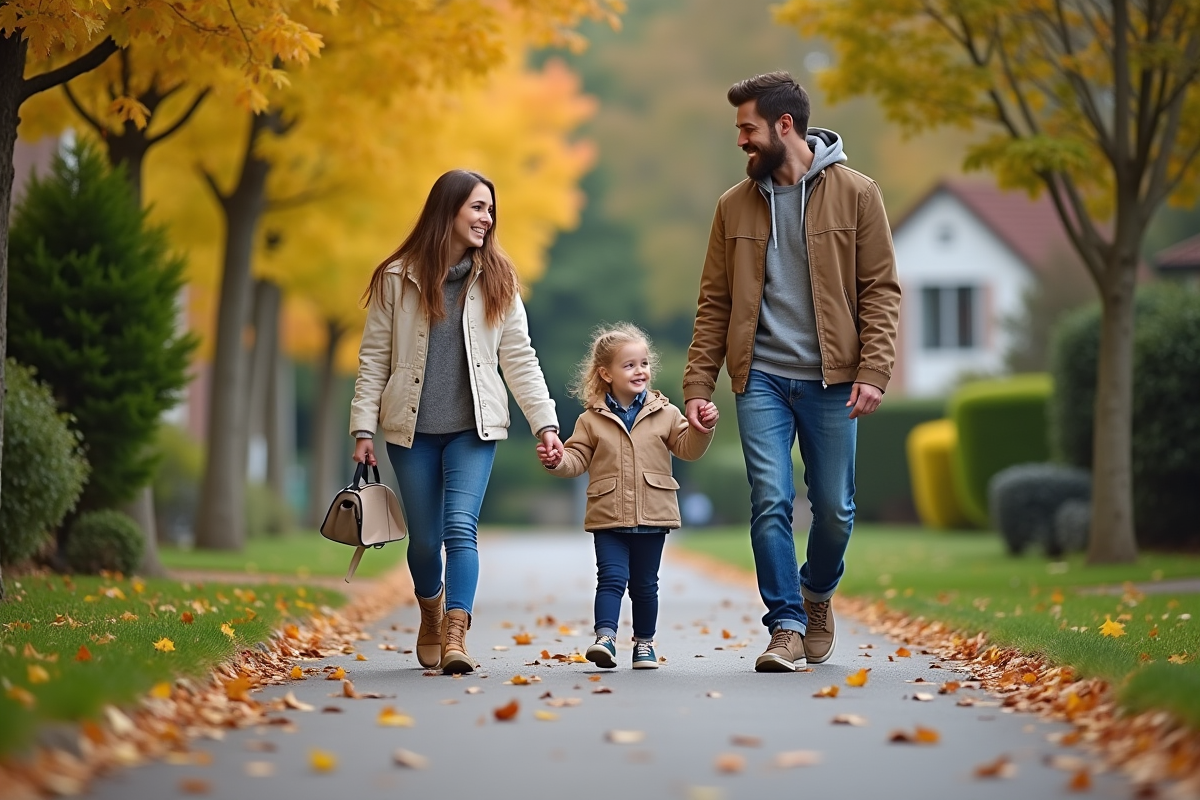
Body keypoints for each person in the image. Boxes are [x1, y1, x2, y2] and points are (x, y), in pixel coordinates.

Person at [683, 72, 901, 673]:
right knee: (771, 500)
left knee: (834, 510)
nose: (741, 142)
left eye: (748, 129)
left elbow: (881, 290)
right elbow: (715, 304)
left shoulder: (858, 194)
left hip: (834, 380)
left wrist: (874, 370)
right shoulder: (733, 206)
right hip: (762, 379)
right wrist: (698, 385)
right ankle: (784, 626)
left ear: (785, 126)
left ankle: (816, 594)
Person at [349, 169, 564, 675]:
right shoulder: (395, 278)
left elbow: (520, 358)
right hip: (411, 432)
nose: (487, 219)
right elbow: (373, 358)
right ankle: (430, 607)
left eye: (491, 209)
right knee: (424, 541)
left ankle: (455, 634)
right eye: (477, 207)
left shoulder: (499, 280)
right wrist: (362, 429)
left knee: (459, 530)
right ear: (447, 210)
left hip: (473, 431)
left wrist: (546, 424)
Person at [538, 323, 718, 669]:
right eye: (630, 365)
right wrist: (558, 460)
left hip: (654, 513)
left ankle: (644, 644)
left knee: (645, 585)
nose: (640, 371)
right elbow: (576, 459)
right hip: (608, 514)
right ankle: (604, 638)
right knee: (610, 578)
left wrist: (703, 428)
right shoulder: (590, 420)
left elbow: (687, 449)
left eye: (644, 363)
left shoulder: (665, 413)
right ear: (606, 374)